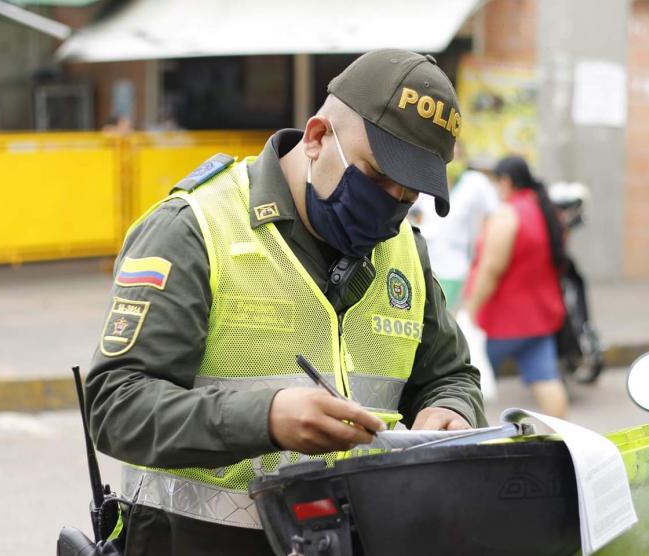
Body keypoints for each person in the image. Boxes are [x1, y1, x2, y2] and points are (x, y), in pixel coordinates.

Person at [86, 49, 487, 556]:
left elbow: (450, 374)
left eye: (409, 196)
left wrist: (451, 410)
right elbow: (115, 404)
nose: (390, 205)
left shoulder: (405, 251)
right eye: (376, 176)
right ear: (318, 137)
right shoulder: (194, 229)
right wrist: (266, 418)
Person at [464, 155, 568, 418]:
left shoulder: (507, 215)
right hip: (540, 317)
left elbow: (491, 268)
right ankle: (564, 442)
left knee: (466, 382)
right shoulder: (546, 211)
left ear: (506, 181)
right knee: (546, 380)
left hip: (501, 321)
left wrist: (469, 312)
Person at [410, 148, 500, 311]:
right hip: (424, 262)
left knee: (446, 316)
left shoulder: (474, 182)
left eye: (455, 156)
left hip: (455, 266)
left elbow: (494, 213)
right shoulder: (425, 176)